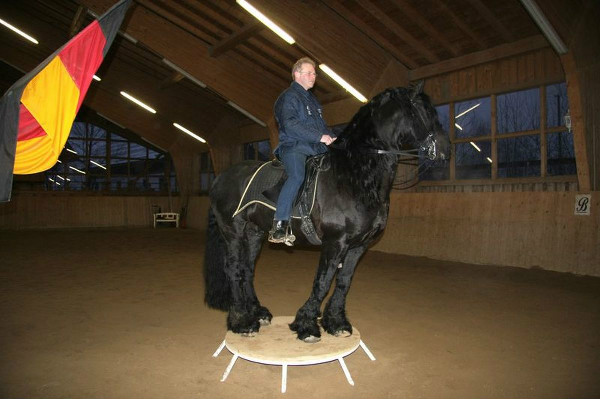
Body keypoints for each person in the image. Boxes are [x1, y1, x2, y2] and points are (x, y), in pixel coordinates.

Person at [269, 57, 336, 245]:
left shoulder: (313, 102)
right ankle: (280, 225)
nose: (313, 76)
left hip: (316, 149)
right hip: (294, 146)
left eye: (314, 73)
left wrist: (334, 138)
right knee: (297, 176)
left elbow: (322, 127)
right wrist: (319, 137)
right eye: (309, 73)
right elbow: (290, 124)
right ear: (296, 74)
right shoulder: (288, 97)